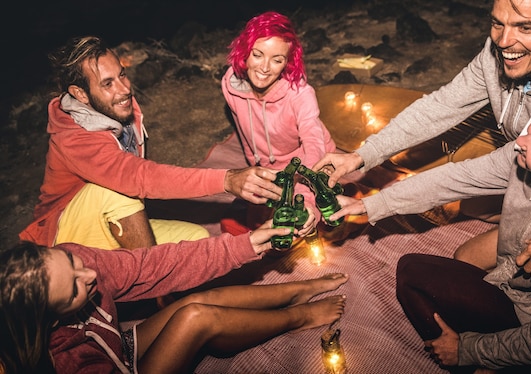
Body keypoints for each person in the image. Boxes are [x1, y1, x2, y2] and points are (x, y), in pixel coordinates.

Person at [313, 0, 531, 280]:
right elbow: (443, 105)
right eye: (496, 22)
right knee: (470, 206)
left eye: (525, 26)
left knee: (480, 257)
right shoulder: (501, 51)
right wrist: (360, 156)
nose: (503, 42)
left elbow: (474, 174)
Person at [331, 97, 531, 370]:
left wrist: (469, 350)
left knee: (412, 272)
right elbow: (456, 179)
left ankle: (493, 362)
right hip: (516, 268)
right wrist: (368, 204)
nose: (521, 141)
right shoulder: (522, 159)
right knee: (464, 257)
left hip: (530, 321)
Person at [18, 35, 283, 251]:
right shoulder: (75, 139)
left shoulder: (117, 105)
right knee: (117, 189)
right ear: (80, 94)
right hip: (63, 237)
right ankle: (146, 286)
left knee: (197, 239)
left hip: (113, 218)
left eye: (122, 74)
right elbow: (138, 176)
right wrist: (226, 180)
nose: (124, 89)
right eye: (107, 83)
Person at [0, 221, 349, 374]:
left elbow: (154, 265)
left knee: (192, 301)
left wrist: (247, 244)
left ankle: (296, 290)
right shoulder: (54, 360)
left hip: (121, 349)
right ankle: (299, 317)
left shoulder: (80, 263)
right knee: (196, 317)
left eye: (72, 263)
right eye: (75, 289)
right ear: (51, 320)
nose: (89, 275)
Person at [220, 11, 336, 233]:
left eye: (277, 60)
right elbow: (246, 133)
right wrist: (257, 170)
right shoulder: (230, 86)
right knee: (251, 232)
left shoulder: (300, 94)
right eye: (258, 54)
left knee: (306, 225)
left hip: (306, 164)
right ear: (245, 52)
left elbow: (313, 144)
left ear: (287, 63)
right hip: (268, 169)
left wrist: (308, 197)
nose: (264, 68)